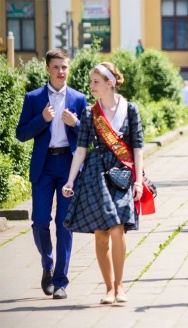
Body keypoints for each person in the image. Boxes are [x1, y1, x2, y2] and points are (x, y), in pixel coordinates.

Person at [62, 62, 151, 304]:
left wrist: (139, 181)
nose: (91, 86)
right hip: (95, 174)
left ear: (109, 83)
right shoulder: (89, 113)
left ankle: (121, 286)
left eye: (96, 82)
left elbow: (138, 148)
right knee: (101, 233)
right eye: (91, 82)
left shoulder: (130, 110)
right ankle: (108, 288)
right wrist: (71, 180)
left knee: (118, 228)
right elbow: (81, 150)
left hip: (122, 174)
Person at [16, 48, 87, 299]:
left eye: (64, 67)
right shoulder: (34, 98)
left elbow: (88, 136)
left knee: (64, 224)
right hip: (43, 166)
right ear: (47, 69)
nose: (61, 72)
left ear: (69, 68)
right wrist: (42, 119)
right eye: (56, 67)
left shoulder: (79, 99)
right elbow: (21, 133)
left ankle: (60, 281)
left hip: (68, 166)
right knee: (40, 221)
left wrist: (75, 123)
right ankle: (47, 265)